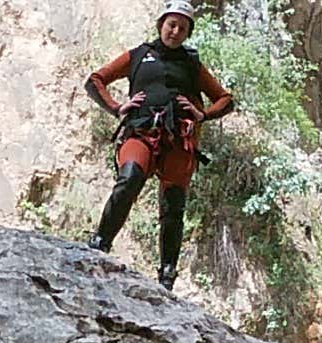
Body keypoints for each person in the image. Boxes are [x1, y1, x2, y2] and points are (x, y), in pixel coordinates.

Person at [81, 0, 233, 289]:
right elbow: (95, 80)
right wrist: (116, 108)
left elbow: (225, 99)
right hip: (141, 131)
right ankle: (99, 243)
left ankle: (166, 275)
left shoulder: (192, 64)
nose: (175, 31)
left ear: (188, 33)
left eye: (182, 27)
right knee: (129, 179)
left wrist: (203, 115)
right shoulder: (139, 55)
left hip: (178, 139)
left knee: (173, 205)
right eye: (171, 24)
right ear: (161, 24)